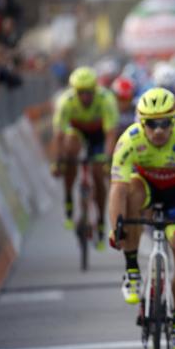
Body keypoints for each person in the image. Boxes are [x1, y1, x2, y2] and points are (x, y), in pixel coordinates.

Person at [108, 87, 175, 349]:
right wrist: (115, 226)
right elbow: (117, 189)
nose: (159, 130)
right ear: (141, 122)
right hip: (146, 192)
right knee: (131, 188)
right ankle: (131, 268)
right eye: (152, 124)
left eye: (165, 122)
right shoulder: (128, 140)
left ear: (174, 121)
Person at [51, 66, 119, 248]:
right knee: (70, 146)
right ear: (75, 91)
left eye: (89, 92)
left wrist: (107, 159)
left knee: (98, 174)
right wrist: (58, 162)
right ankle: (68, 198)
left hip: (99, 136)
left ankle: (101, 220)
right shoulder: (65, 101)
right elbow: (58, 135)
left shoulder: (106, 99)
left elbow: (111, 133)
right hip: (78, 135)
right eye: (81, 93)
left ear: (95, 89)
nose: (86, 97)